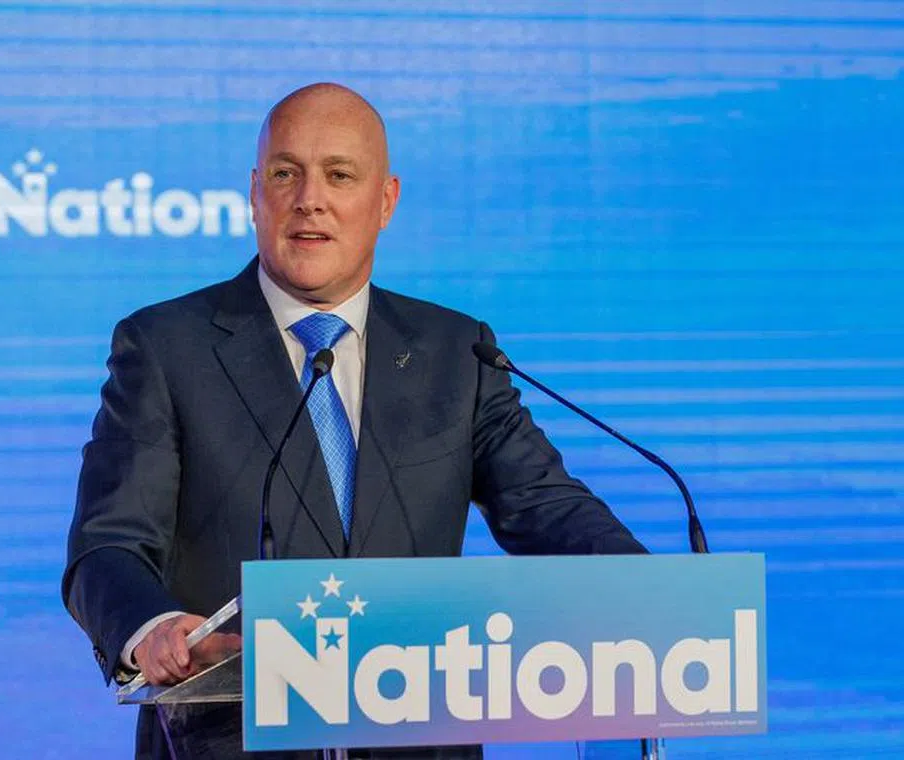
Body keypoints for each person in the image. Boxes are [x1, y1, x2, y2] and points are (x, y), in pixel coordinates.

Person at [63, 82, 646, 759]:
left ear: (386, 202)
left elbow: (548, 507)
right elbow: (106, 548)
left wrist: (657, 599)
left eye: (339, 174)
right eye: (286, 174)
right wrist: (154, 626)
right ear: (256, 193)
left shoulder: (457, 353)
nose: (310, 197)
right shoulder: (167, 346)